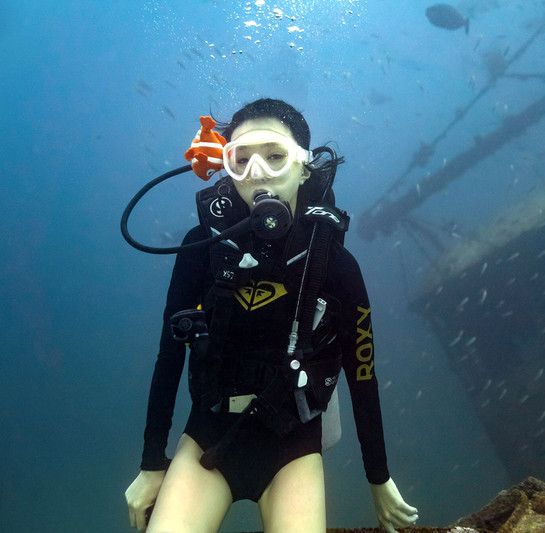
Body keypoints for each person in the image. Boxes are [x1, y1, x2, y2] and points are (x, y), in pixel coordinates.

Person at [124, 98, 418, 533]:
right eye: (240, 160)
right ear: (226, 168)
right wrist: (152, 463)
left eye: (275, 156)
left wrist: (379, 478)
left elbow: (362, 373)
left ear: (304, 167)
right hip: (207, 436)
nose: (257, 172)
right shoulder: (200, 248)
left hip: (293, 444)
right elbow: (169, 357)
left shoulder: (334, 264)